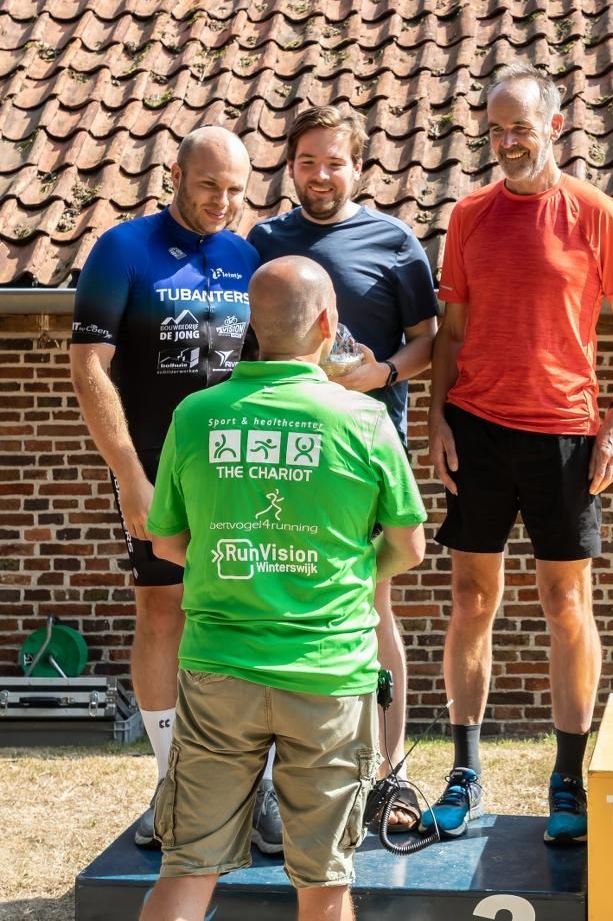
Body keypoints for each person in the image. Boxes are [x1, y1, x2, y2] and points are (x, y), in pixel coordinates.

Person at [139, 257, 427, 921]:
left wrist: (233, 563)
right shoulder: (365, 420)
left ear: (253, 326)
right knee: (324, 885)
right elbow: (408, 547)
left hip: (218, 670)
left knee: (186, 869)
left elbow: (167, 543)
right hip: (329, 676)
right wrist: (349, 572)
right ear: (328, 324)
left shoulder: (195, 414)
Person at [423, 63, 613, 846]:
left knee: (566, 607)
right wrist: (437, 419)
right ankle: (463, 774)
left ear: (554, 126)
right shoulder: (468, 216)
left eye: (520, 128)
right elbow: (451, 331)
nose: (507, 143)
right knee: (471, 602)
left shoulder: (594, 212)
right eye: (496, 131)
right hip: (477, 429)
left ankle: (568, 779)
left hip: (565, 434)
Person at [69, 127, 280, 850]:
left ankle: (258, 784)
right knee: (162, 611)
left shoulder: (246, 256)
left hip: (243, 469)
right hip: (158, 467)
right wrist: (129, 476)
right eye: (209, 185)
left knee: (252, 614)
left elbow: (271, 365)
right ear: (175, 175)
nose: (222, 201)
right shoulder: (123, 249)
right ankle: (172, 782)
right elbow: (89, 367)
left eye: (235, 189)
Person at [248, 104, 438, 831]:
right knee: (277, 604)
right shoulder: (264, 242)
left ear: (359, 167)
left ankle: (388, 775)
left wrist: (381, 372)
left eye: (334, 162)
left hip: (360, 455)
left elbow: (430, 343)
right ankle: (279, 781)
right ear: (290, 167)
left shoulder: (394, 242)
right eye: (307, 162)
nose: (320, 175)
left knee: (373, 605)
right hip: (281, 458)